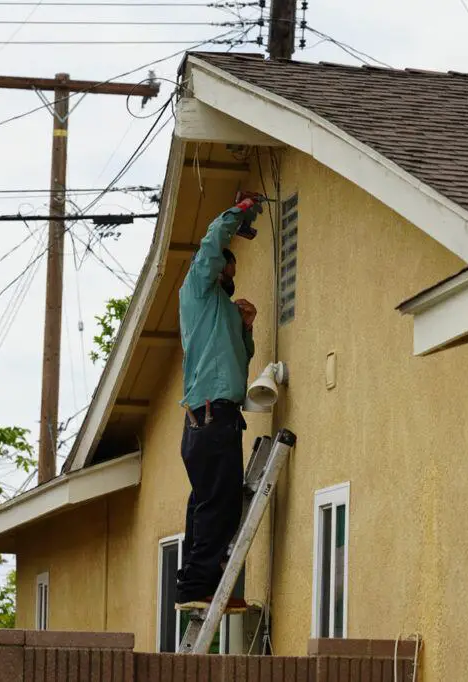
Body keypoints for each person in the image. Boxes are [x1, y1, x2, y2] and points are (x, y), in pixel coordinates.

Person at [174, 197, 262, 611]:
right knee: (219, 505)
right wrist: (237, 213)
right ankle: (197, 587)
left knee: (206, 503)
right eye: (228, 266)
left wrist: (245, 328)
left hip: (213, 419)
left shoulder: (224, 313)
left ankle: (193, 584)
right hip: (209, 417)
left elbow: (239, 364)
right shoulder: (196, 292)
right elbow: (211, 245)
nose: (232, 272)